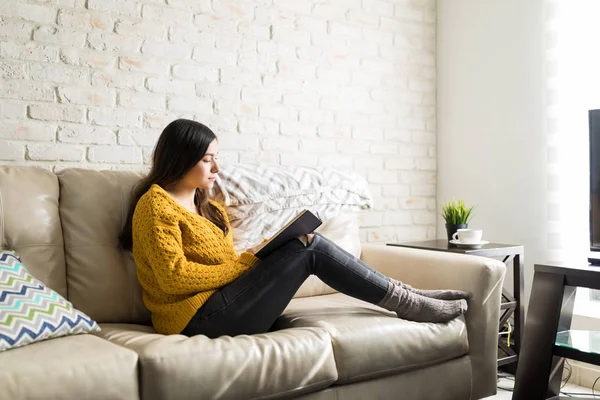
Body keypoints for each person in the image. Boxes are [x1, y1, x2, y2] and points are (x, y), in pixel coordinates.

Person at [120, 119, 469, 338]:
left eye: (216, 157)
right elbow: (174, 278)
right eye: (208, 159)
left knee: (302, 240)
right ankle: (408, 301)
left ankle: (409, 296)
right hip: (193, 319)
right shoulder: (155, 206)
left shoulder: (209, 208)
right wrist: (245, 265)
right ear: (180, 159)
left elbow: (224, 264)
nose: (217, 167)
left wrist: (261, 254)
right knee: (311, 247)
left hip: (224, 303)